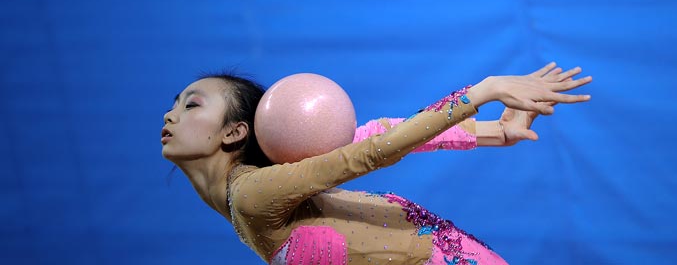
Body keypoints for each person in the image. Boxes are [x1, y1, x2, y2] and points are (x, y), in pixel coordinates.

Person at [161, 62, 593, 265]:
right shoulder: (252, 190)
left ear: (234, 132)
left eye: (190, 104)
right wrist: (493, 131)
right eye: (175, 104)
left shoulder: (251, 193)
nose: (170, 114)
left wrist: (482, 96)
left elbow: (367, 148)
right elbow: (371, 138)